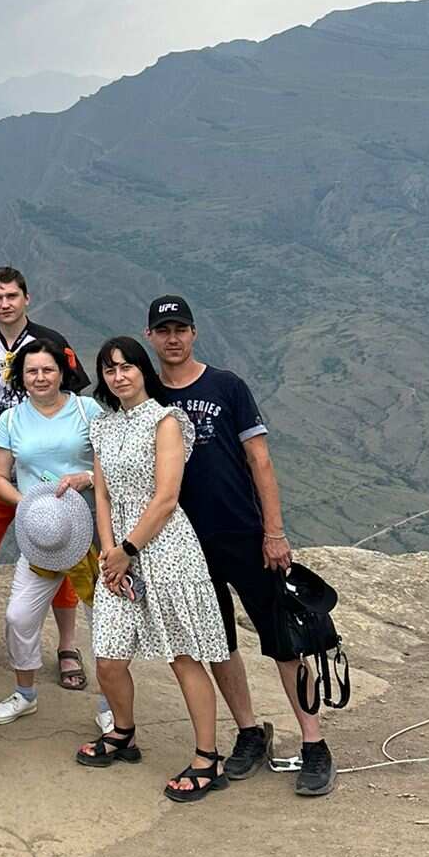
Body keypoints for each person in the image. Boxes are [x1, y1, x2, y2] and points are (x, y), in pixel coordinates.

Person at [146, 294, 336, 797]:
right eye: (163, 330)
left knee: (285, 641)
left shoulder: (227, 386)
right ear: (151, 337)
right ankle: (250, 731)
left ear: (194, 332)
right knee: (219, 642)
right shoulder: (149, 397)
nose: (172, 338)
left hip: (245, 534)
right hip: (186, 544)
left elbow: (260, 459)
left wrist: (274, 531)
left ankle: (314, 742)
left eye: (180, 329)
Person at [76, 336, 232, 802]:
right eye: (109, 369)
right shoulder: (102, 427)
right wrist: (109, 551)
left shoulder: (166, 421)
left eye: (126, 366)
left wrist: (128, 548)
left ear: (143, 370)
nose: (118, 376)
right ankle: (123, 733)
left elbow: (166, 497)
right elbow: (102, 494)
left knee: (183, 655)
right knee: (108, 656)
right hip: (118, 554)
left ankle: (207, 759)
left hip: (166, 549)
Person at [0, 268, 90, 692]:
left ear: (27, 298)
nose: (5, 304)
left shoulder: (51, 343)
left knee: (61, 555)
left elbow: (76, 402)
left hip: (48, 481)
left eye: (12, 295)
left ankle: (67, 645)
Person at [0, 343, 112, 732]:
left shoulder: (87, 411)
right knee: (18, 616)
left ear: (62, 372)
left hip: (93, 533)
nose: (40, 378)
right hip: (42, 535)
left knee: (105, 621)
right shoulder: (10, 419)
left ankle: (112, 702)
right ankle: (25, 692)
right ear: (21, 378)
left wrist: (85, 478)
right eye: (32, 371)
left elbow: (110, 465)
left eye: (47, 369)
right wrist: (30, 505)